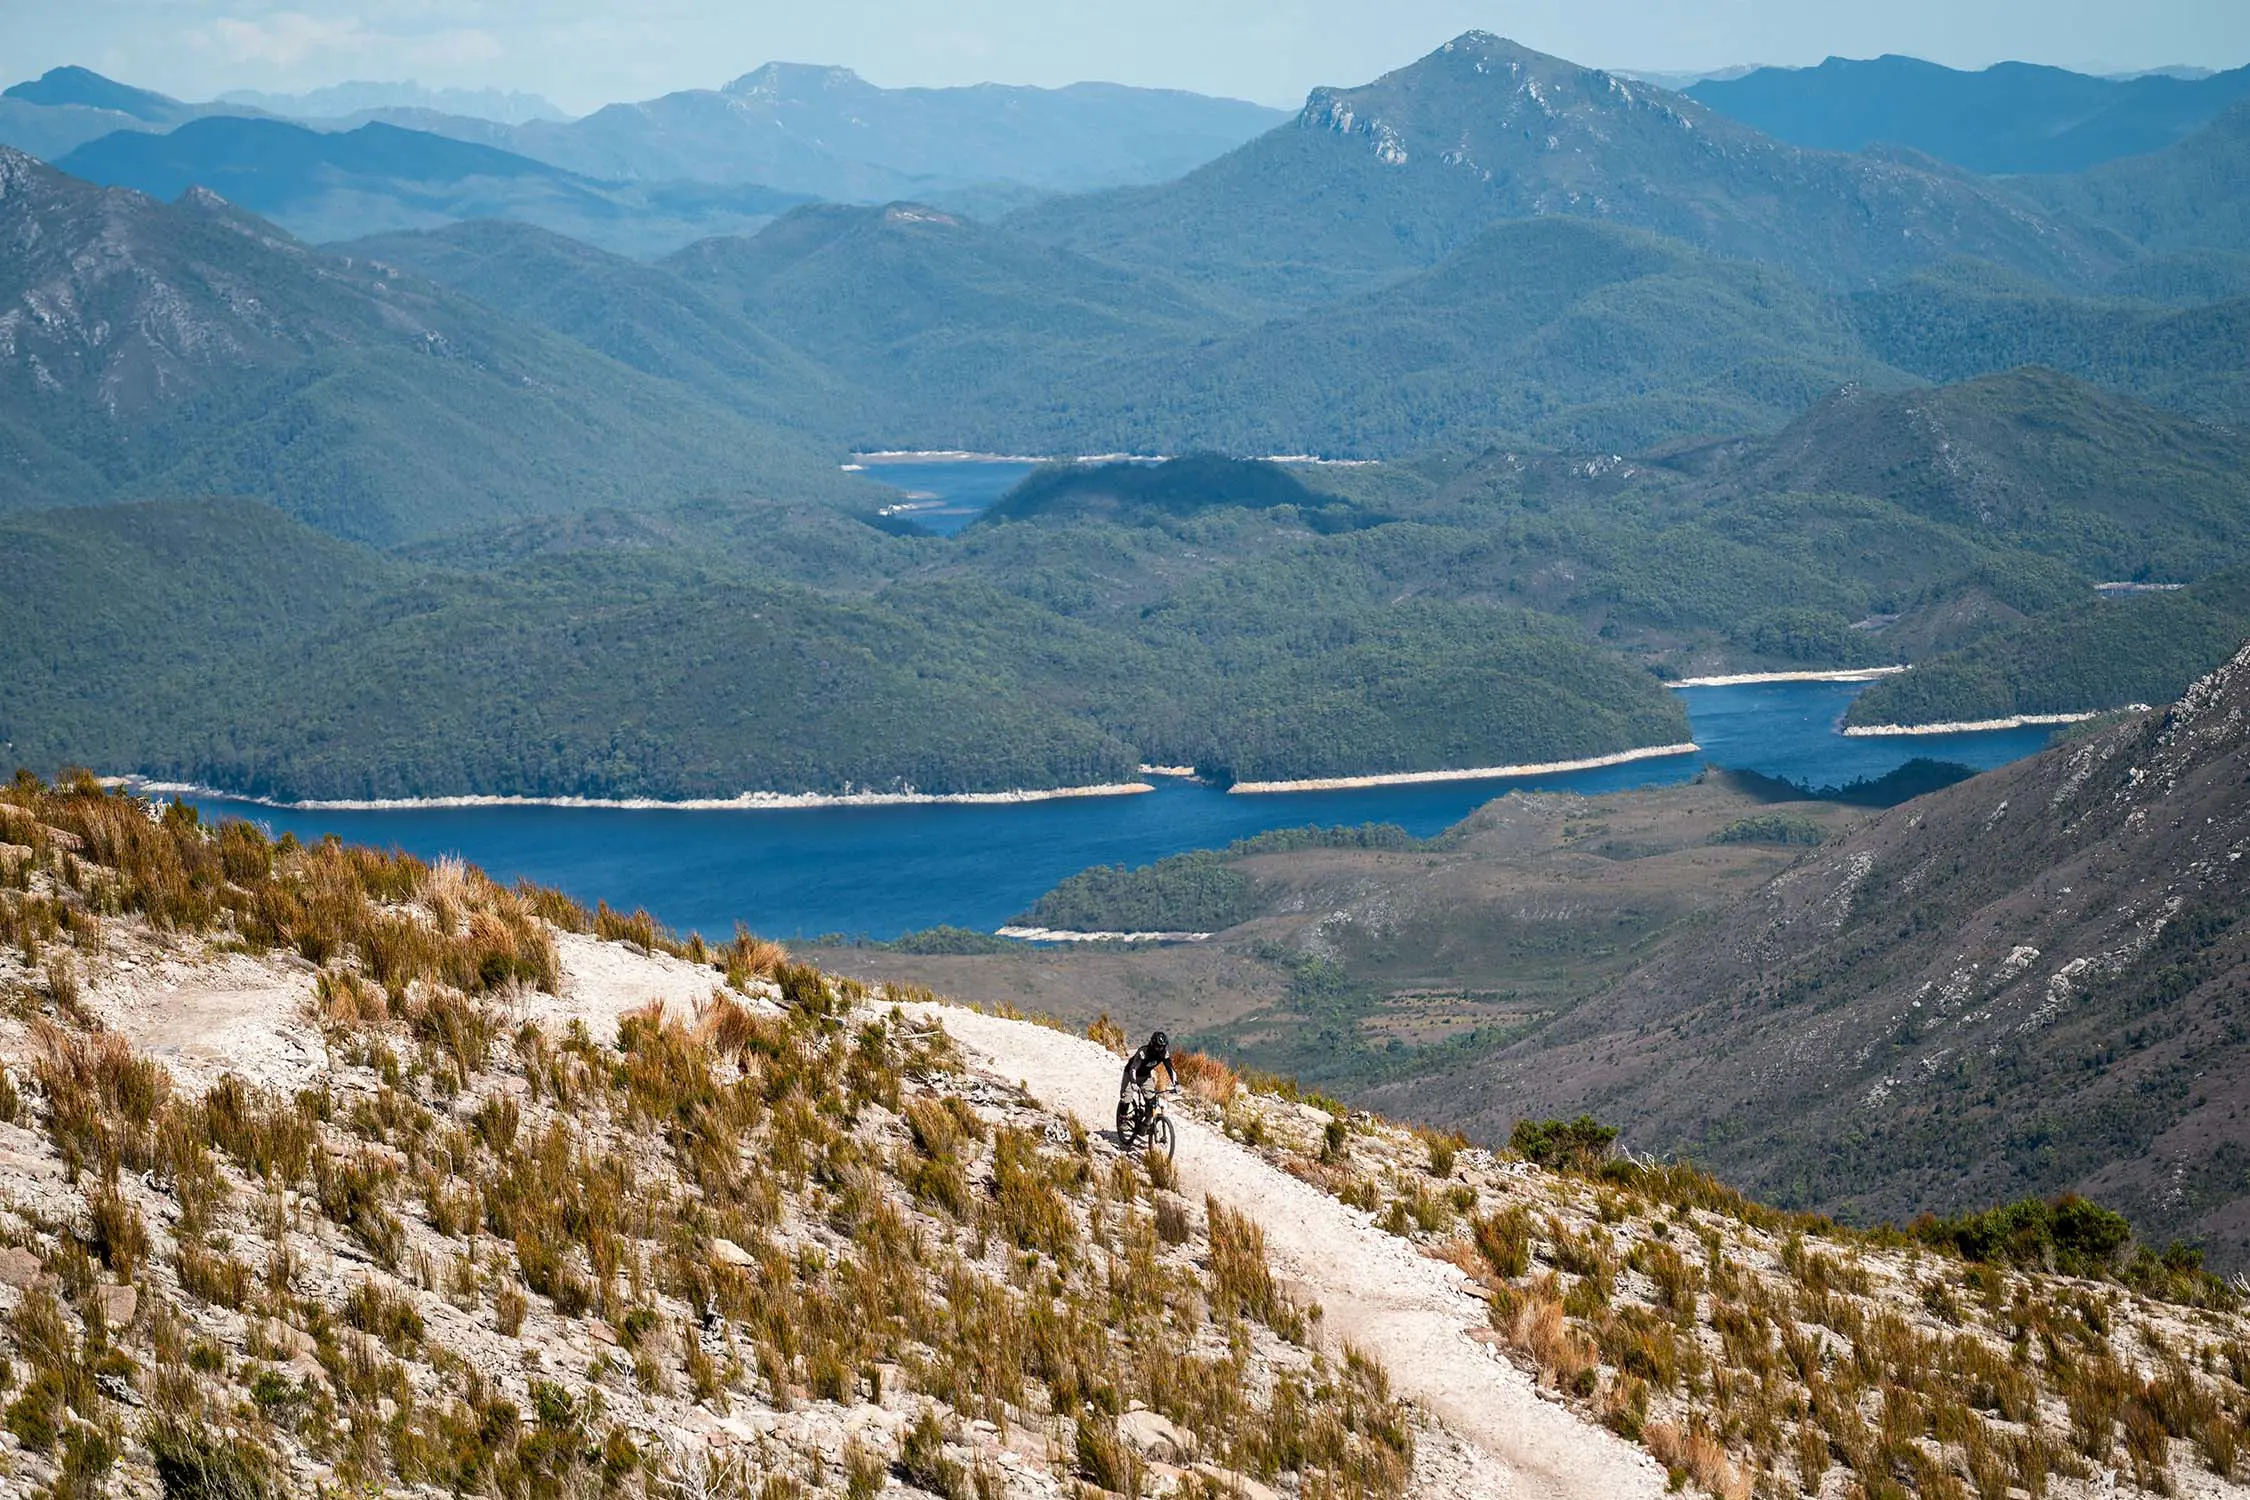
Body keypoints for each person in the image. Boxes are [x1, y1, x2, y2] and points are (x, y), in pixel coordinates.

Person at [1117, 1030, 1177, 1140]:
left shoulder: (1164, 1053)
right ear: (1153, 1044)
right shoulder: (1143, 1053)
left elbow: (1170, 1069)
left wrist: (1176, 1084)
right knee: (1126, 1098)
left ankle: (1143, 1126)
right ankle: (1122, 1120)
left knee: (1152, 1102)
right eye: (1159, 1047)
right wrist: (1133, 1083)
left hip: (1145, 1077)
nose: (1161, 1049)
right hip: (1130, 1075)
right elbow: (1133, 1068)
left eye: (1163, 1047)